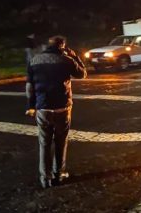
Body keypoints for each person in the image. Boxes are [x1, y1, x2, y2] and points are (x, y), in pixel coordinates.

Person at [25, 35, 87, 189]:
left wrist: (31, 106)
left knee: (44, 144)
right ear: (62, 46)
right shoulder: (66, 60)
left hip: (43, 108)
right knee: (60, 142)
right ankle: (58, 174)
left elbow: (29, 87)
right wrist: (75, 56)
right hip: (62, 107)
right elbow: (82, 74)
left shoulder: (34, 60)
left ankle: (45, 178)